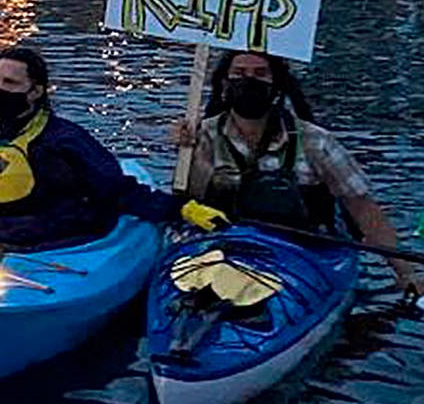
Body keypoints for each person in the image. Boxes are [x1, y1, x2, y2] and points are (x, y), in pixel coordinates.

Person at [0, 44, 220, 250]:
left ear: (36, 90)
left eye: (10, 83)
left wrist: (181, 209)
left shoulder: (64, 139)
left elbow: (117, 189)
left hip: (68, 243)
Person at [175, 49, 417, 294]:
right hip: (226, 248)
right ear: (225, 83)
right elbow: (189, 201)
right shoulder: (203, 136)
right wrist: (188, 152)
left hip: (303, 253)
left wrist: (407, 274)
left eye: (260, 74)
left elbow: (364, 211)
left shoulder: (316, 142)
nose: (249, 81)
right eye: (239, 73)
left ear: (277, 85)